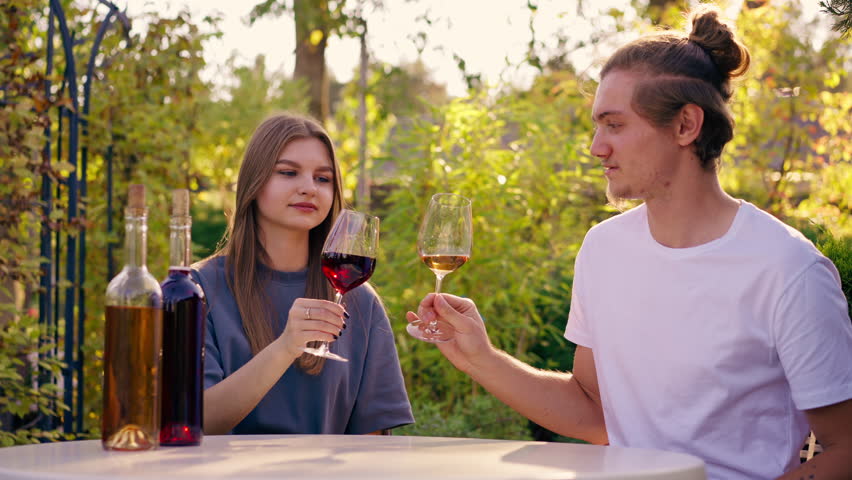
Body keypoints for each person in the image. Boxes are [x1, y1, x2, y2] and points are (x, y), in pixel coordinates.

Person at [407, 6, 852, 480]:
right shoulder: (604, 249)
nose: (596, 147)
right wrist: (482, 357)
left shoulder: (787, 269)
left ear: (685, 126)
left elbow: (844, 448)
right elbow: (595, 414)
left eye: (614, 125)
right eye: (597, 125)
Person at [194, 113, 413, 435]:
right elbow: (197, 423)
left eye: (323, 179)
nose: (309, 188)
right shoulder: (197, 290)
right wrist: (286, 347)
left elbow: (373, 442)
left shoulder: (359, 301)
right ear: (254, 182)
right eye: (288, 172)